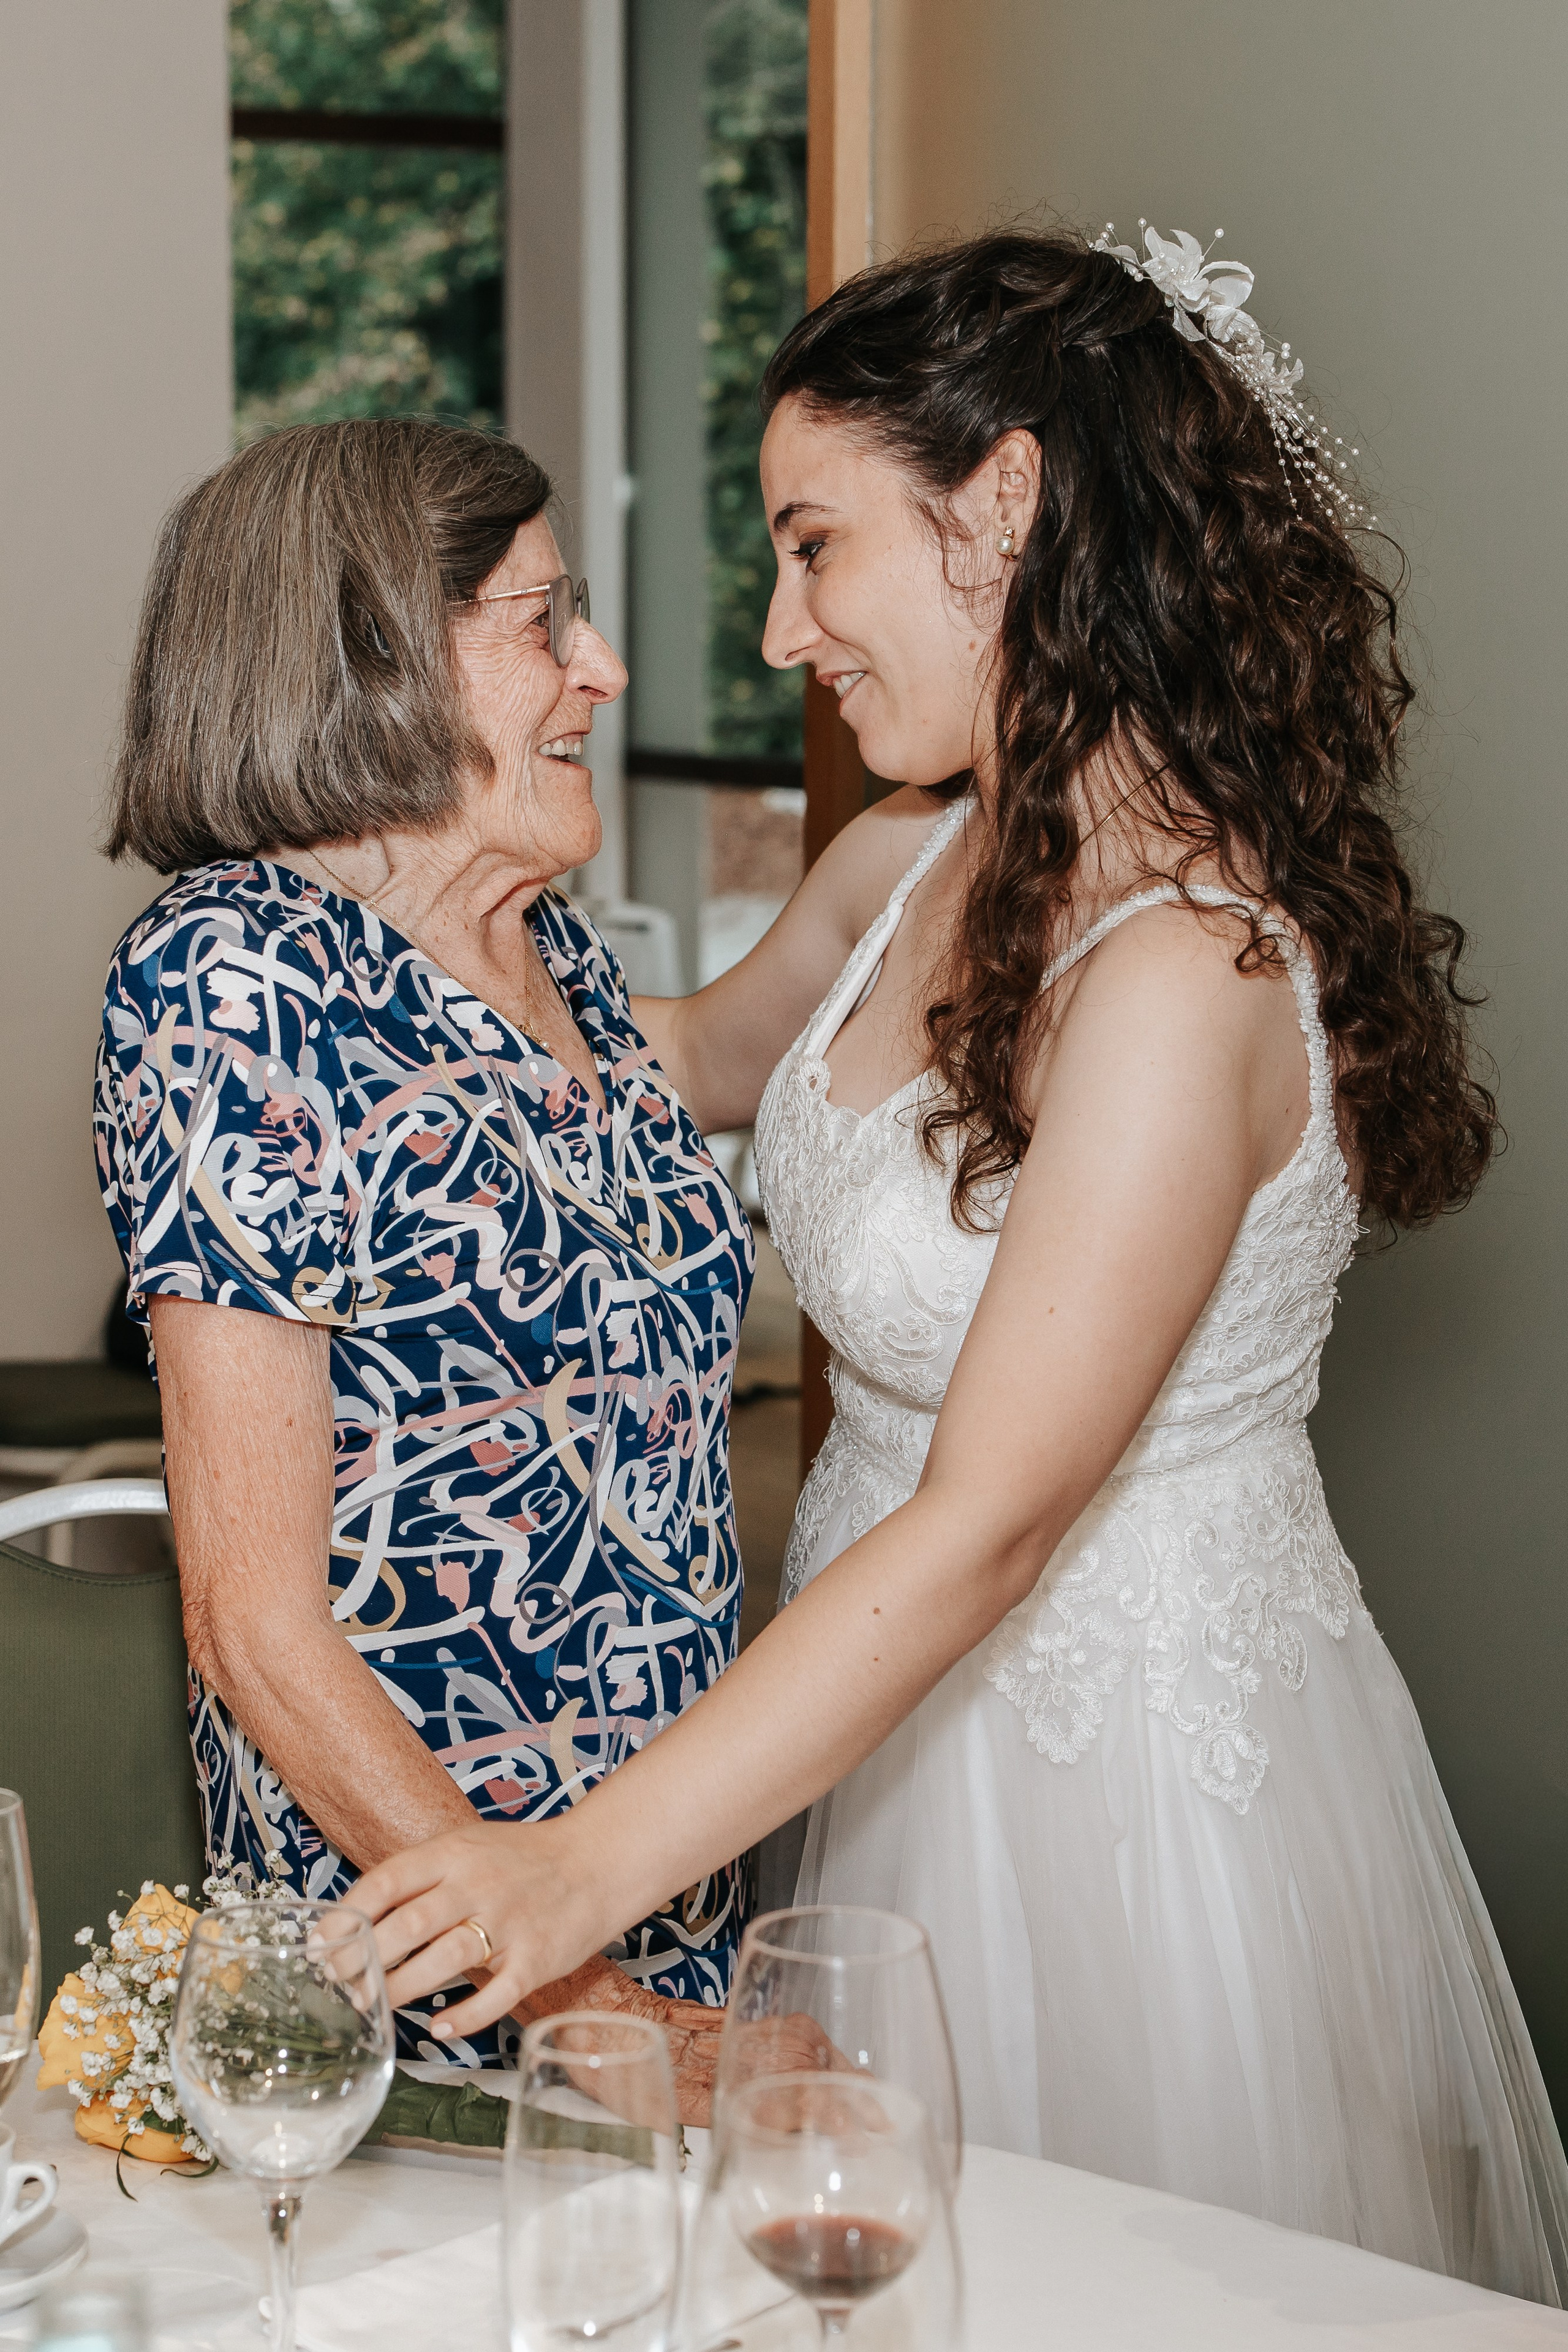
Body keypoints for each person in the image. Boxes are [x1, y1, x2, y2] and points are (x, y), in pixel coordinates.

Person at [351, 228, 1568, 2298]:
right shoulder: (903, 855)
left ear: (1001, 505)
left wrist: (575, 1877)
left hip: (1124, 1793)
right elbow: (674, 1064)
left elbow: (997, 1523)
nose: (781, 623)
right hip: (865, 1710)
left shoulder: (1190, 966)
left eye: (816, 543)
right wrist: (357, 923)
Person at [94, 418, 756, 2095]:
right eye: (544, 623)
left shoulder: (562, 963)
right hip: (424, 1979)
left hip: (658, 1910)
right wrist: (585, 2011)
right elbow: (259, 1627)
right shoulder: (237, 983)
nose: (601, 669)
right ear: (365, 660)